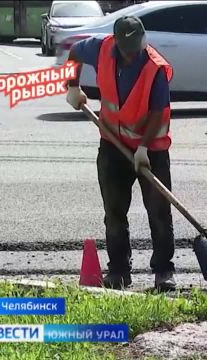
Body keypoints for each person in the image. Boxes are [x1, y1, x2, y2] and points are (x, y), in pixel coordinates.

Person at [65, 15, 176, 291]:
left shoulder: (154, 68)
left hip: (151, 150)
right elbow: (75, 52)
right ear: (117, 43)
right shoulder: (101, 48)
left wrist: (142, 148)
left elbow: (156, 113)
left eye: (136, 49)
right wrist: (73, 85)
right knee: (114, 212)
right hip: (112, 145)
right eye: (128, 51)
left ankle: (164, 271)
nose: (132, 55)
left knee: (159, 212)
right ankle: (118, 272)